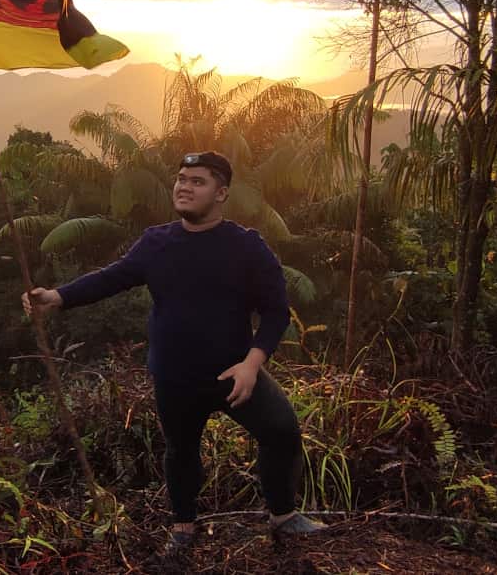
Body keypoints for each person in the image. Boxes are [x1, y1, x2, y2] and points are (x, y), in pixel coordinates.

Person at [23, 150, 321, 557]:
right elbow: (113, 278)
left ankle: (283, 517)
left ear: (221, 193)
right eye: (182, 178)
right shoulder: (156, 243)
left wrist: (252, 364)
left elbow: (275, 312)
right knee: (181, 452)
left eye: (198, 181)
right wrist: (58, 296)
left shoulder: (247, 246)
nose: (184, 186)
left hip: (233, 372)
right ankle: (183, 527)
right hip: (174, 376)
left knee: (282, 430)